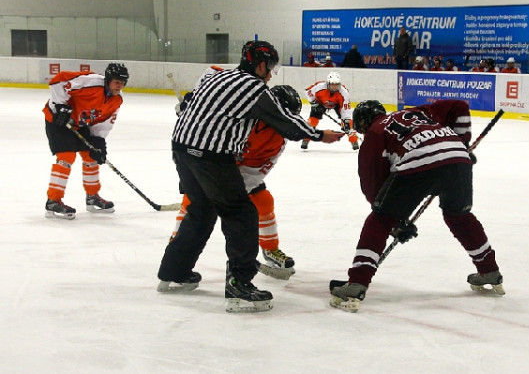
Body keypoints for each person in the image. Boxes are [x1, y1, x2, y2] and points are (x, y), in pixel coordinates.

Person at [157, 40, 343, 313]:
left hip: (182, 149)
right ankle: (239, 284)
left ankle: (174, 271)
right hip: (212, 156)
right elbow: (284, 120)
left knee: (201, 210)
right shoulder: (254, 87)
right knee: (241, 214)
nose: (270, 75)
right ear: (260, 64)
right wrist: (318, 134)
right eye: (270, 68)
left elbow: (190, 103)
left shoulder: (217, 76)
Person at [329, 99, 504, 312]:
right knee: (459, 215)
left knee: (379, 219)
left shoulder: (375, 133)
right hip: (458, 159)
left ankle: (357, 282)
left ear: (363, 124)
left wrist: (395, 222)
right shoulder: (417, 112)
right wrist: (461, 143)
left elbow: (374, 189)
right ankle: (489, 271)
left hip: (419, 161)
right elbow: (459, 106)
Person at [171, 70, 300, 279]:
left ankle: (270, 248)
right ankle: (177, 246)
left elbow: (258, 171)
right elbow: (199, 130)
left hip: (242, 173)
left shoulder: (278, 139)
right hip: (214, 163)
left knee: (263, 202)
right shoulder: (241, 114)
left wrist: (231, 192)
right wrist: (191, 109)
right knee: (193, 203)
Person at [42, 63, 129, 219]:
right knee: (67, 156)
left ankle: (92, 196)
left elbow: (104, 122)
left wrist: (99, 143)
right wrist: (60, 105)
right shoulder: (91, 82)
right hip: (58, 120)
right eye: (117, 82)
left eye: (122, 83)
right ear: (108, 80)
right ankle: (53, 200)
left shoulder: (116, 101)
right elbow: (58, 81)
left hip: (80, 123)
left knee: (91, 156)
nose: (119, 86)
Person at [301, 71, 359, 150]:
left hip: (337, 104)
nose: (334, 86)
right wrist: (314, 103)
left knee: (349, 123)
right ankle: (306, 139)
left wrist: (346, 120)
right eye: (332, 84)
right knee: (313, 120)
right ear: (328, 83)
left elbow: (345, 108)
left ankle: (354, 141)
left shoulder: (344, 92)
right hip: (320, 103)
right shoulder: (319, 87)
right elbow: (308, 91)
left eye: (336, 84)